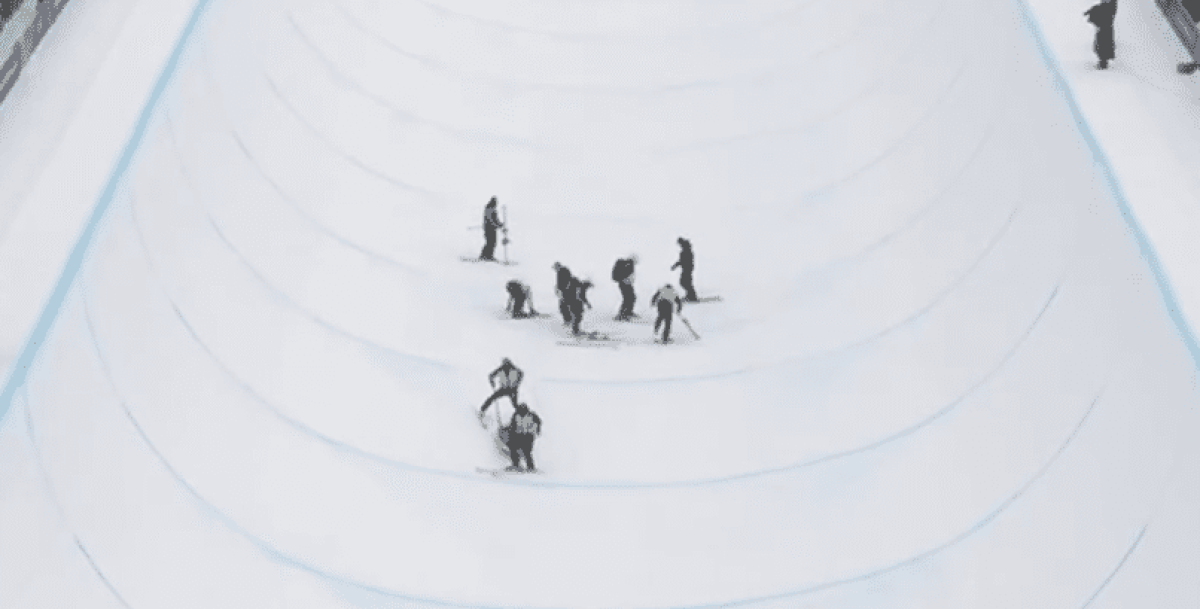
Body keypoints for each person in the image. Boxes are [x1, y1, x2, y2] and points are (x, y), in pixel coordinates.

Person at [479, 358, 523, 423]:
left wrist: (517, 383)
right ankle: (482, 411)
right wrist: (492, 382)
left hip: (509, 389)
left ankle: (482, 411)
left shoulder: (507, 369)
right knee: (514, 404)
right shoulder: (511, 369)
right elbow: (491, 376)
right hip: (508, 389)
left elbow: (491, 376)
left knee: (493, 398)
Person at [504, 402, 542, 472]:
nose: (522, 413)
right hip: (519, 435)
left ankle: (530, 467)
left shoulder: (531, 415)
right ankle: (516, 465)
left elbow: (539, 422)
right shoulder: (516, 415)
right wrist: (508, 431)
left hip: (528, 436)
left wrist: (537, 430)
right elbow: (512, 425)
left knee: (527, 451)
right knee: (513, 448)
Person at [1085, 0, 1117, 70]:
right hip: (1104, 28)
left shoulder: (1109, 7)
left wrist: (1091, 12)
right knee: (1102, 44)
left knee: (1103, 45)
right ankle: (1103, 61)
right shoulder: (1107, 6)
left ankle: (1103, 62)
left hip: (1104, 28)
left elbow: (1110, 9)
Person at [671, 237, 698, 302]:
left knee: (685, 282)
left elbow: (683, 260)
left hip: (687, 269)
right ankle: (690, 295)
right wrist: (676, 265)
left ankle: (692, 297)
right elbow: (682, 260)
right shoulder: (685, 249)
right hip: (687, 268)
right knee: (685, 282)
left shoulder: (686, 250)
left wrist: (675, 265)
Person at [612, 255, 638, 320]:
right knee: (628, 299)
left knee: (632, 298)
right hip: (624, 284)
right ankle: (622, 314)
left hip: (626, 283)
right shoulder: (629, 264)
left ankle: (628, 312)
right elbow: (627, 273)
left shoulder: (628, 264)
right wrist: (626, 279)